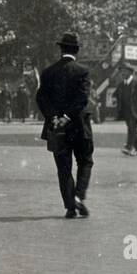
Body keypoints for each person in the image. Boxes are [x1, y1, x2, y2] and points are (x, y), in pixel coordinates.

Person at [36, 32, 93, 218]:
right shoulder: (83, 71)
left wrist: (53, 117)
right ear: (76, 50)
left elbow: (41, 98)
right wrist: (68, 116)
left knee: (63, 166)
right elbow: (82, 98)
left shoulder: (48, 72)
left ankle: (70, 206)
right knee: (85, 161)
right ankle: (79, 196)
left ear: (61, 49)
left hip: (56, 128)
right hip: (78, 126)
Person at [114, 64, 137, 156]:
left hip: (136, 111)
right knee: (132, 128)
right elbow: (115, 94)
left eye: (124, 71)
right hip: (125, 111)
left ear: (130, 72)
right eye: (121, 72)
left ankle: (129, 147)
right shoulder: (121, 84)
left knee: (132, 128)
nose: (122, 73)